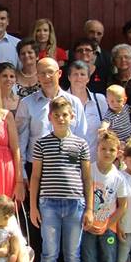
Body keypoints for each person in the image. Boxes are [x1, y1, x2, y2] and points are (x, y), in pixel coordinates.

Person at [29, 97, 92, 262]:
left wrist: (90, 208)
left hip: (75, 204)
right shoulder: (42, 143)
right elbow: (35, 176)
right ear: (50, 118)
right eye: (56, 115)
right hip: (49, 204)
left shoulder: (81, 144)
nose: (61, 119)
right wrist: (33, 206)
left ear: (72, 116)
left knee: (73, 254)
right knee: (49, 253)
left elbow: (87, 177)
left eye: (65, 115)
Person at [16, 57, 88, 195]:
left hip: (67, 167)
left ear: (59, 73)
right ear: (37, 76)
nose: (46, 77)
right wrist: (23, 173)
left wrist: (75, 169)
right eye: (41, 73)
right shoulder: (27, 103)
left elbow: (80, 138)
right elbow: (21, 141)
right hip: (36, 168)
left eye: (50, 72)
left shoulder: (74, 103)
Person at [81, 131, 128, 262]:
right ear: (97, 149)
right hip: (88, 227)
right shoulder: (89, 170)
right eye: (103, 149)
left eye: (111, 150)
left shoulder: (119, 177)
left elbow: (123, 206)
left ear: (118, 152)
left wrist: (109, 225)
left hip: (108, 228)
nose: (107, 153)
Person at [66, 60, 108, 158]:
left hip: (95, 161)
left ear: (88, 79)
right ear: (69, 77)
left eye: (82, 74)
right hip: (69, 161)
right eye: (75, 74)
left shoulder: (99, 100)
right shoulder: (61, 100)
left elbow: (109, 122)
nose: (78, 77)